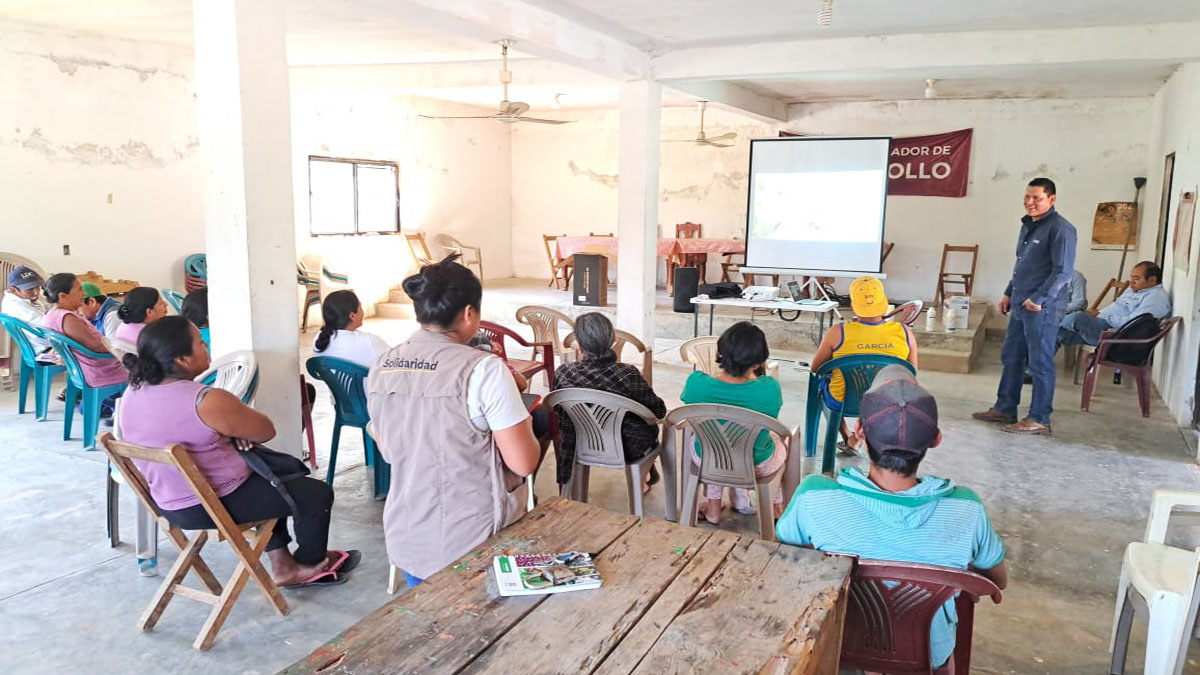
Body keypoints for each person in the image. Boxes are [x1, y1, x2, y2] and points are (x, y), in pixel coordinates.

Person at [777, 366, 1008, 673]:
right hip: (926, 656)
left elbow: (787, 558)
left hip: (838, 645)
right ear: (936, 439)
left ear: (859, 430)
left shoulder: (814, 495)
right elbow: (996, 581)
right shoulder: (967, 509)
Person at [119, 316, 359, 587]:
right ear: (182, 360)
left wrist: (228, 434)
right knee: (314, 493)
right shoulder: (205, 400)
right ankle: (310, 563)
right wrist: (233, 433)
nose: (206, 347)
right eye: (200, 343)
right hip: (207, 503)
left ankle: (283, 563)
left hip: (167, 501)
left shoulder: (133, 392)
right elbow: (265, 430)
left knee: (269, 478)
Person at [366, 254, 540, 587]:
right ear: (469, 313)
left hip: (408, 532)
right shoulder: (484, 370)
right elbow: (524, 462)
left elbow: (391, 451)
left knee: (433, 628)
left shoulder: (383, 365)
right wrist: (522, 415)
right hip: (473, 539)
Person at [973, 177, 1077, 435]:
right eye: (1027, 197)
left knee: (1040, 362)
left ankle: (1040, 418)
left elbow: (1063, 272)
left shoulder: (1061, 229)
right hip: (1021, 302)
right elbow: (1023, 265)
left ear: (1051, 200)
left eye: (1037, 198)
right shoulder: (1029, 225)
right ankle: (1005, 407)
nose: (1030, 202)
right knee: (1011, 356)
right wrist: (1009, 292)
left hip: (1042, 307)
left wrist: (1039, 299)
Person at [680, 321, 786, 525]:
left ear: (720, 352)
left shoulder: (696, 383)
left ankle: (713, 508)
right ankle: (775, 507)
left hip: (708, 459)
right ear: (757, 363)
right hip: (757, 464)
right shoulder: (769, 388)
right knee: (783, 439)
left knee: (711, 441)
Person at [552, 312, 666, 493]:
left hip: (580, 442)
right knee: (643, 426)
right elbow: (659, 411)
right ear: (612, 341)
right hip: (628, 446)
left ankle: (645, 475)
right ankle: (643, 477)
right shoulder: (627, 374)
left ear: (580, 347)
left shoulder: (564, 373)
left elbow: (557, 410)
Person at [809, 275, 918, 449]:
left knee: (824, 383)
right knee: (875, 384)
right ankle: (860, 436)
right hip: (888, 402)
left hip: (843, 400)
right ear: (884, 302)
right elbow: (911, 372)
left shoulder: (838, 332)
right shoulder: (904, 332)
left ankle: (847, 436)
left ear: (853, 306)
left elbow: (816, 368)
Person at [40, 273, 127, 390]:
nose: (84, 293)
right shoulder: (67, 318)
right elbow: (96, 346)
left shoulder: (50, 315)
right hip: (104, 372)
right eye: (79, 289)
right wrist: (126, 350)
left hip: (87, 370)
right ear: (63, 296)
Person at [1058, 261, 1171, 348]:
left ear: (1152, 280)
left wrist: (1100, 315)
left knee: (1077, 317)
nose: (1131, 282)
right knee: (1055, 333)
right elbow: (1116, 307)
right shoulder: (1135, 289)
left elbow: (1133, 324)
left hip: (1114, 335)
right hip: (1103, 325)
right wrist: (1098, 315)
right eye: (1131, 277)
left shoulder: (1155, 298)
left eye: (1136, 278)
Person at [312, 290, 388, 368]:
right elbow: (397, 364)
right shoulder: (369, 341)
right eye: (360, 307)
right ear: (352, 316)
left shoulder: (319, 338)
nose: (363, 312)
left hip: (331, 380)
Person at [2, 265, 53, 358]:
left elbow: (47, 306)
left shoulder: (21, 298)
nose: (36, 292)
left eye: (37, 287)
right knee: (84, 351)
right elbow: (51, 327)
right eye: (29, 289)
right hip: (45, 351)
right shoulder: (17, 307)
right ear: (13, 290)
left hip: (39, 346)